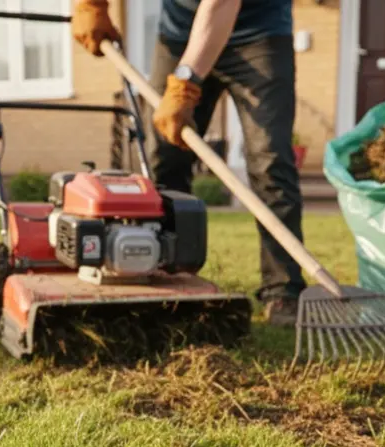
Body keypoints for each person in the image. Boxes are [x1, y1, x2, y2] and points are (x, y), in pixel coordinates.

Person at [72, 0, 307, 325]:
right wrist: (90, 4)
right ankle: (163, 274)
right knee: (163, 160)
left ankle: (284, 291)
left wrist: (184, 82)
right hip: (180, 33)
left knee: (270, 160)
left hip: (260, 35)